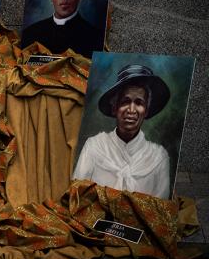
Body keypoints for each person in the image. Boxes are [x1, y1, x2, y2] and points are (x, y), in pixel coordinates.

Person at [73, 64, 171, 198]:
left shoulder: (159, 157)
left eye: (139, 103)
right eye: (125, 101)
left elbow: (161, 208)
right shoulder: (94, 146)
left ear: (146, 111)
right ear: (115, 108)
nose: (131, 110)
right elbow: (77, 195)